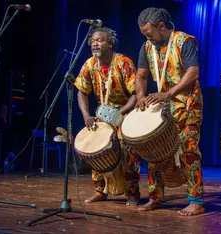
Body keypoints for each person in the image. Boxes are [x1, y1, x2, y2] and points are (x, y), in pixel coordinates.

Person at [135, 7, 205, 216]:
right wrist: (140, 96)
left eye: (149, 33)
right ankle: (155, 197)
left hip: (189, 104)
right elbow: (141, 75)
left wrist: (169, 93)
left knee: (188, 149)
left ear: (161, 26)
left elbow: (192, 73)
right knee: (154, 148)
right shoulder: (147, 47)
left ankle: (196, 200)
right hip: (162, 106)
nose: (147, 38)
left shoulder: (184, 41)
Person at [74, 26, 140, 206]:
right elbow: (81, 91)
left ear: (110, 43)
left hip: (124, 112)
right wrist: (87, 116)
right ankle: (100, 190)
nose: (95, 43)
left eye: (100, 40)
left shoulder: (123, 63)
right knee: (95, 145)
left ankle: (132, 193)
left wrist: (121, 113)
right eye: (93, 41)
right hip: (102, 113)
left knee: (127, 149)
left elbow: (136, 93)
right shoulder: (89, 65)